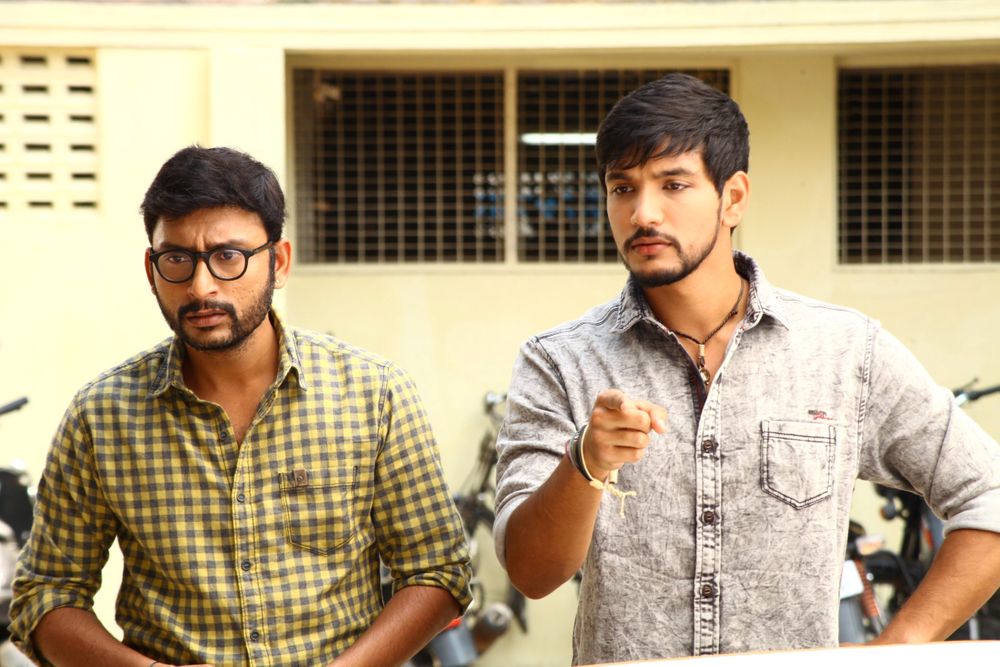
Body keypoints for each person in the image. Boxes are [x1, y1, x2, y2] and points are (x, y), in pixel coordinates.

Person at [493, 73, 1000, 664]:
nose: (642, 213)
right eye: (622, 188)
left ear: (732, 198)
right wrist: (586, 461)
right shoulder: (559, 360)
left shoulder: (845, 351)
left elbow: (988, 495)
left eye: (673, 184)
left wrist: (892, 652)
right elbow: (531, 574)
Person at [10, 146, 472, 667]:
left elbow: (438, 571)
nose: (201, 286)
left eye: (228, 256)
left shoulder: (374, 395)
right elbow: (45, 595)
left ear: (279, 262)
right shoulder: (102, 417)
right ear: (151, 268)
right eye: (177, 259)